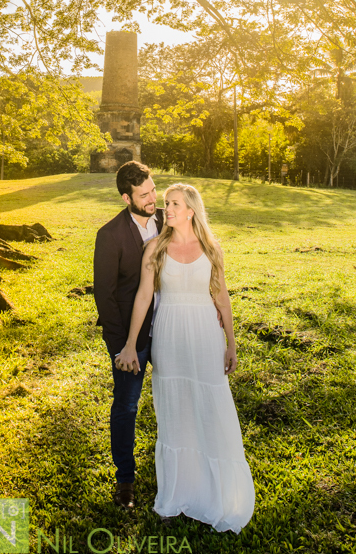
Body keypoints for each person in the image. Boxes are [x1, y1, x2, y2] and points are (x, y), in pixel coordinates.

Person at [116, 183, 255, 533]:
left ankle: (218, 494)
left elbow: (222, 298)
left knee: (211, 407)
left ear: (191, 210)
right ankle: (176, 493)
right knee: (174, 412)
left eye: (174, 203)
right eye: (166, 203)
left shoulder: (211, 247)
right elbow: (144, 297)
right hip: (169, 336)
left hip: (206, 336)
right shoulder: (155, 248)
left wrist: (232, 343)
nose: (167, 208)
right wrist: (131, 343)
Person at [93, 161, 164, 510]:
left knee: (170, 397)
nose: (153, 198)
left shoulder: (168, 219)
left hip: (169, 328)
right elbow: (104, 295)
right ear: (126, 197)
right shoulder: (109, 235)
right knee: (126, 405)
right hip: (130, 339)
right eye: (144, 195)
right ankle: (125, 481)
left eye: (153, 190)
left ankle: (172, 466)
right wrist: (124, 347)